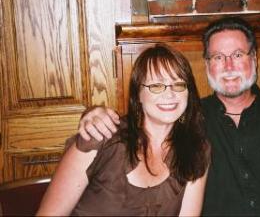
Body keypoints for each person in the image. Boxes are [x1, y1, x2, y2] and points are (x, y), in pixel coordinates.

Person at [75, 17, 260, 215]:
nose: (228, 66)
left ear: (254, 59)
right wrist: (95, 114)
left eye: (238, 54)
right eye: (218, 57)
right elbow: (142, 120)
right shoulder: (185, 118)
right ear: (207, 65)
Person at [37, 44, 210, 216]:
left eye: (179, 84)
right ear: (139, 95)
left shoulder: (196, 150)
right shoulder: (101, 136)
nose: (170, 94)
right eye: (156, 85)